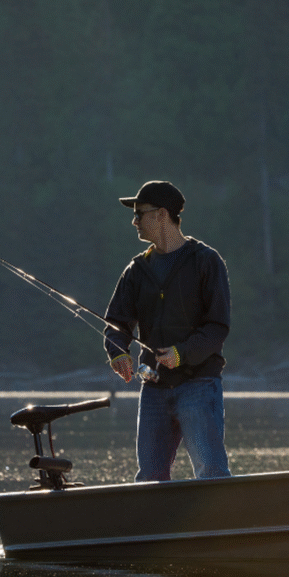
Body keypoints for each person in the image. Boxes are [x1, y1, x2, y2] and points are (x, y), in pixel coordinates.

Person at [104, 180, 232, 481]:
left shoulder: (206, 261)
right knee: (149, 478)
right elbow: (117, 322)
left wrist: (181, 353)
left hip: (199, 384)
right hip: (154, 388)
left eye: (139, 213)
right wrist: (117, 351)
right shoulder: (137, 269)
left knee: (211, 472)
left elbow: (217, 326)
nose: (134, 221)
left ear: (162, 214)